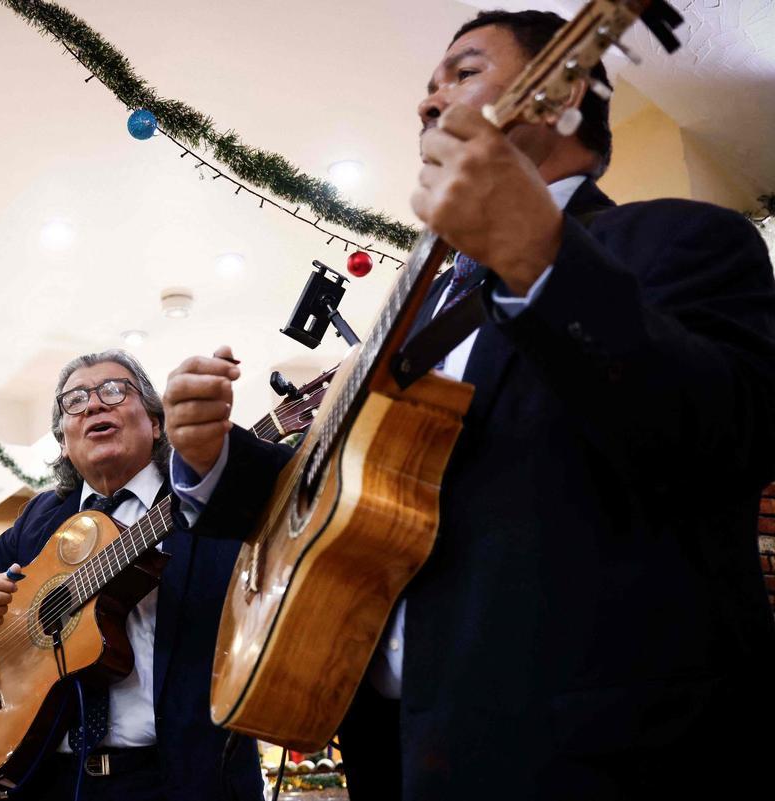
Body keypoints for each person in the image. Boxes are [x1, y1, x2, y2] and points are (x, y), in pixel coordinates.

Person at [162, 9, 775, 800]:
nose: (427, 101)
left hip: (598, 756)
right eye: (426, 87)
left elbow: (733, 433)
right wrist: (212, 460)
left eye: (462, 72)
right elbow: (341, 490)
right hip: (396, 755)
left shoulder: (685, 238)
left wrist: (538, 255)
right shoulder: (412, 312)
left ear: (562, 90)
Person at [0, 350, 265, 801]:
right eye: (74, 401)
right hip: (40, 779)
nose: (93, 405)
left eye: (114, 391)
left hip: (179, 779)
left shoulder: (206, 494)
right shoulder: (39, 521)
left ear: (157, 423)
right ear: (63, 443)